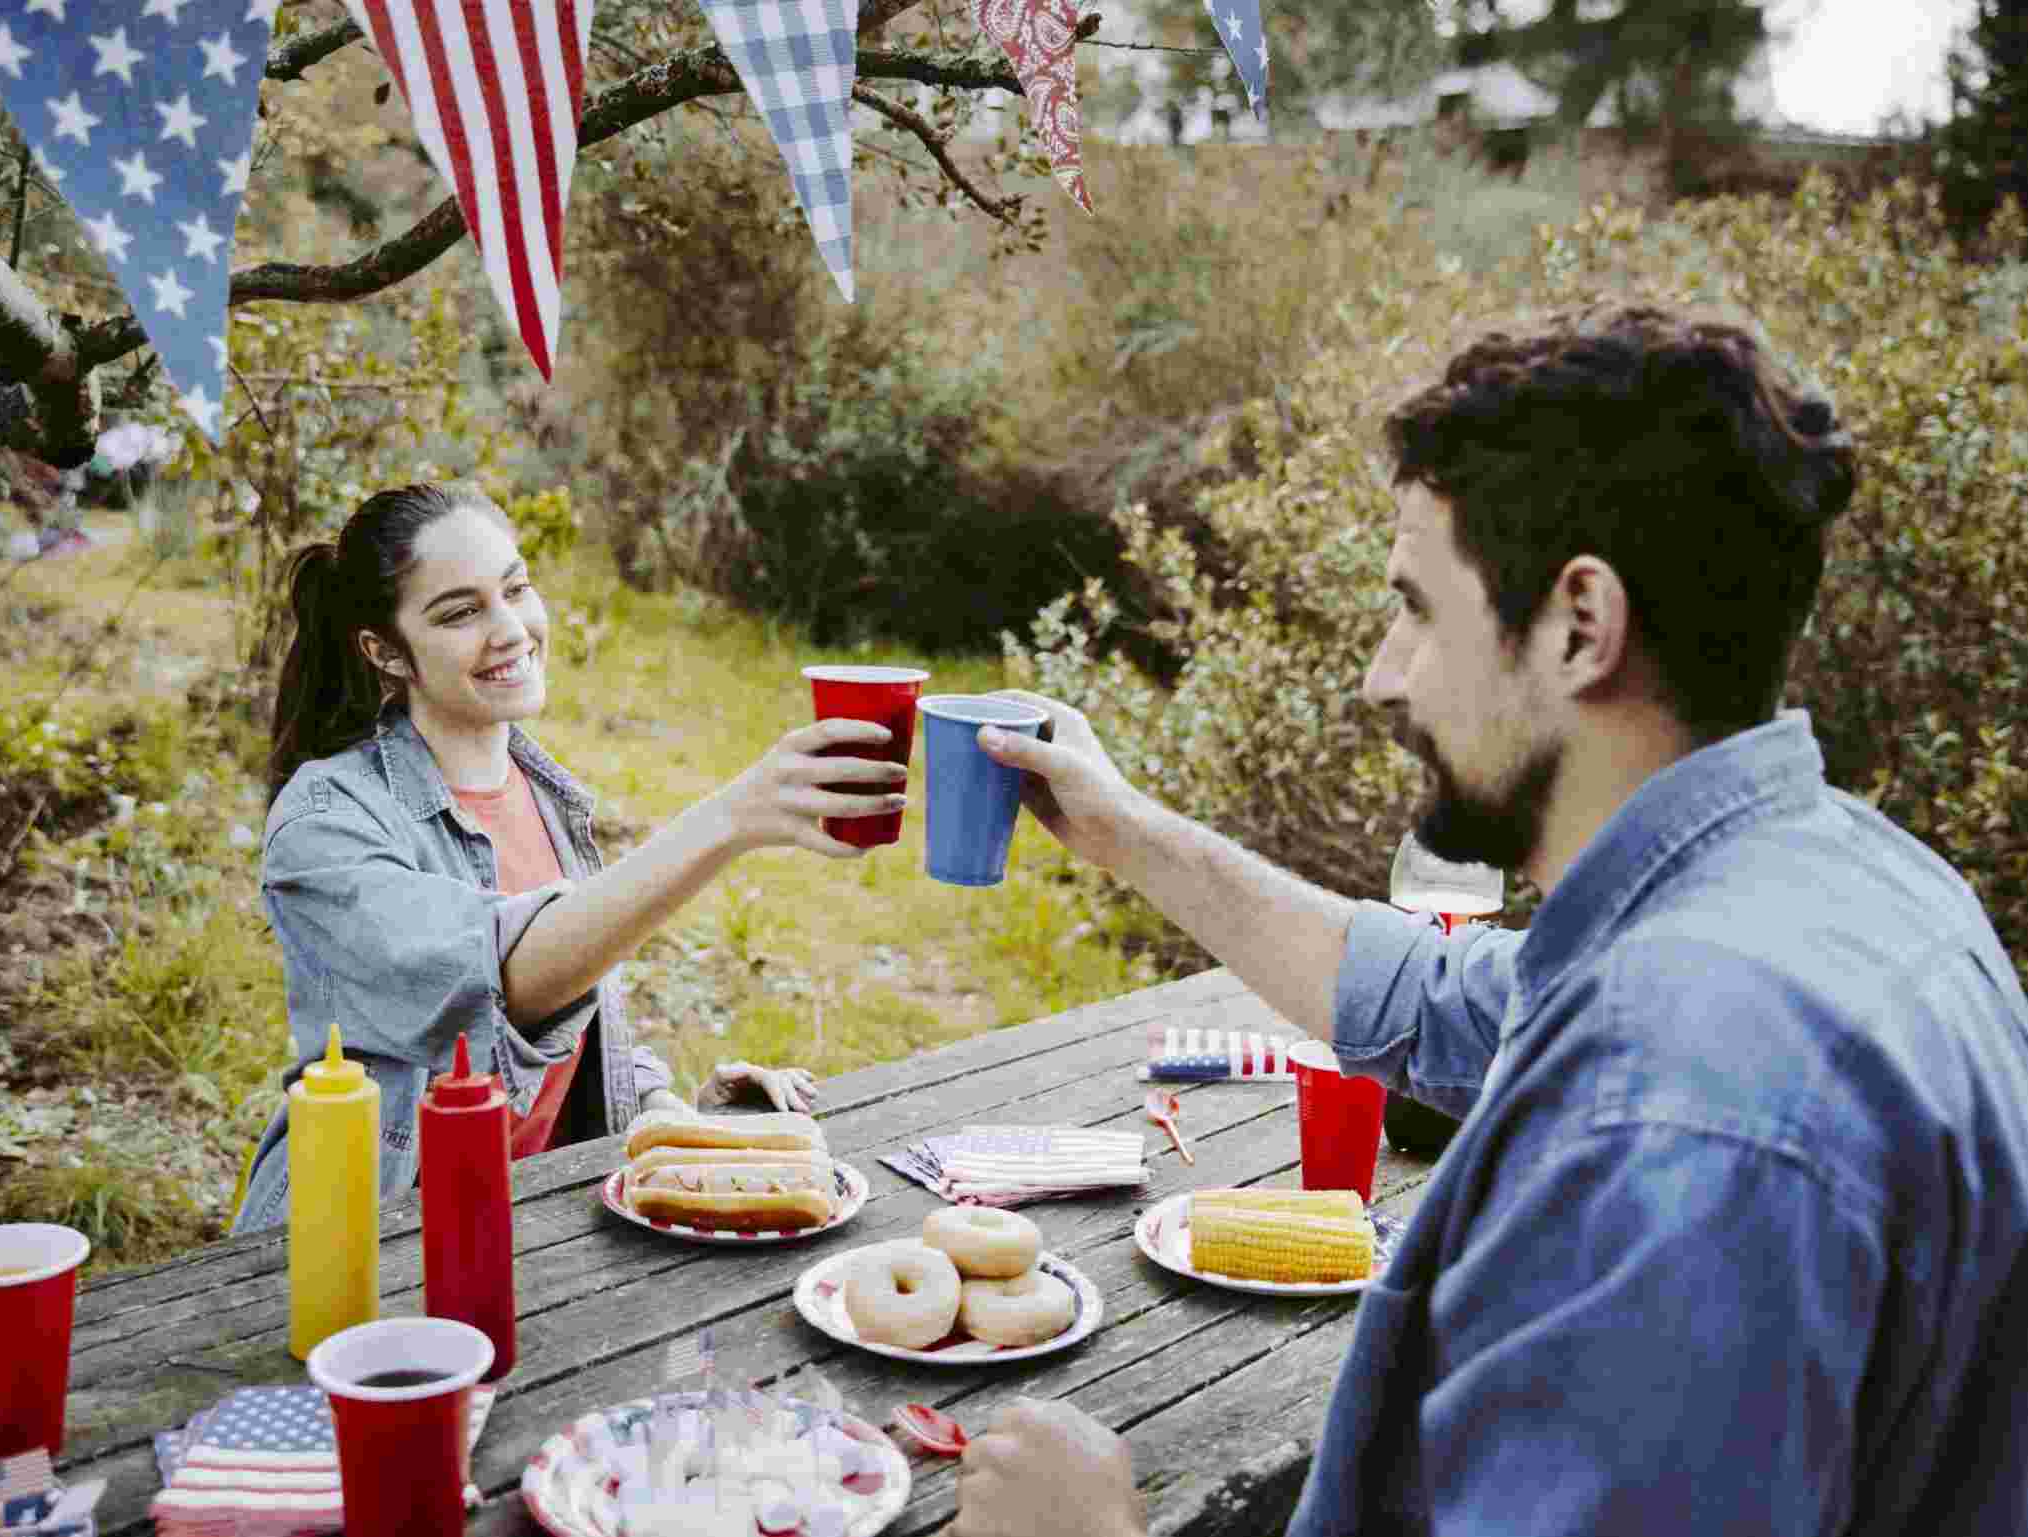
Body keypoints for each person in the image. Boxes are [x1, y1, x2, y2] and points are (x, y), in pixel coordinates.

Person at [943, 306, 2028, 1536]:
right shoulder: (1847, 888)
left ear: (1579, 623)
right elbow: (1423, 997)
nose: (1382, 672)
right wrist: (1123, 827)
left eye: (1416, 606)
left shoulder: (1677, 1112)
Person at [230, 483, 910, 1233]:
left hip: (520, 1222)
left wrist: (671, 1111)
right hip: (359, 1243)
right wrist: (727, 820)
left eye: (515, 588)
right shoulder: (325, 820)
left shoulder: (544, 793)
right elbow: (501, 985)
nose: (510, 629)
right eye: (460, 612)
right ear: (384, 649)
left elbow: (565, 1020)